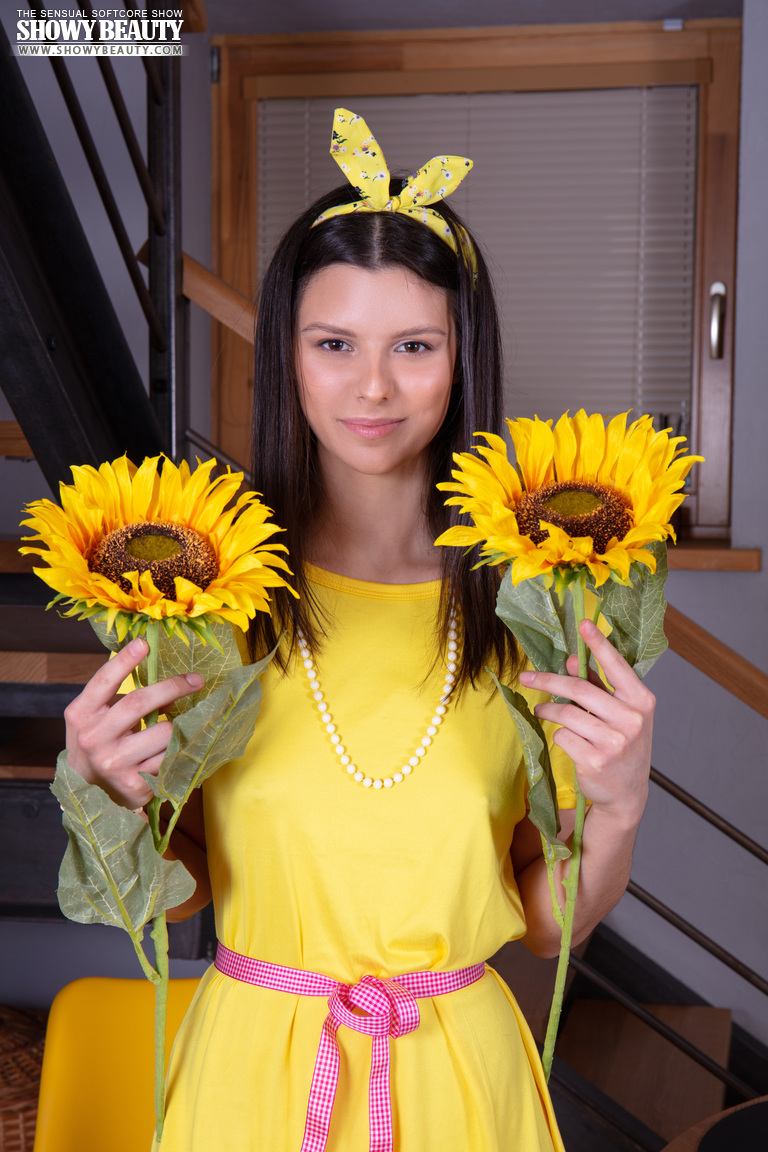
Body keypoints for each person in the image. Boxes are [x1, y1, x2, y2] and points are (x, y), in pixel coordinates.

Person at [63, 110, 655, 1151]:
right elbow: (179, 886)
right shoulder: (207, 594)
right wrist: (111, 799)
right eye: (334, 343)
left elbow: (552, 921)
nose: (373, 386)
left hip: (464, 1087)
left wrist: (619, 808)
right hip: (251, 1084)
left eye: (414, 346)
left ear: (463, 355)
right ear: (286, 353)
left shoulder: (539, 606)